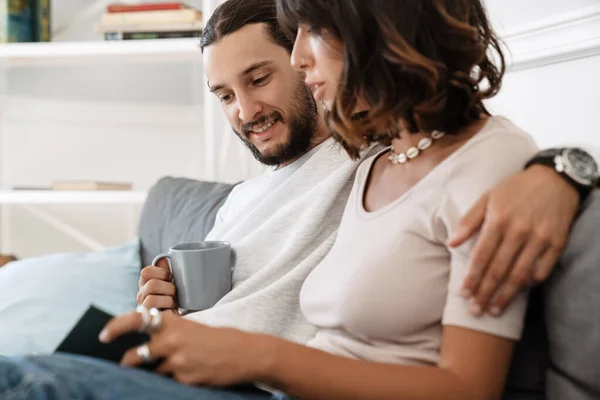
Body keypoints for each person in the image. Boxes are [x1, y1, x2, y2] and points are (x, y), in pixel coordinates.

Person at [0, 0, 596, 399]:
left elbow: (467, 384)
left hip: (259, 383)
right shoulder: (378, 156)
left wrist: (562, 171)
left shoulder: (371, 155)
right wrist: (175, 315)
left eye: (260, 77)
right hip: (217, 374)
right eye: (223, 94)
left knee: (26, 381)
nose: (299, 57)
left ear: (376, 31)